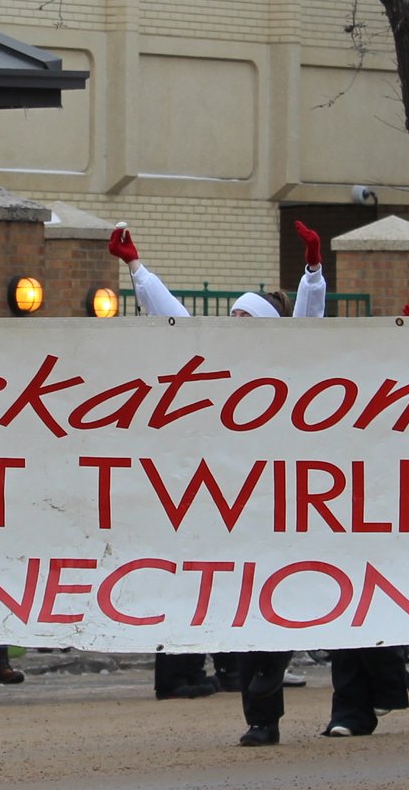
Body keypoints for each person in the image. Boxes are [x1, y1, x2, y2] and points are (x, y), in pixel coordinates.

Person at [110, 219, 329, 726]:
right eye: (231, 315)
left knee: (270, 621)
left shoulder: (286, 366)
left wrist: (313, 271)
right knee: (245, 612)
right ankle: (259, 717)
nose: (233, 322)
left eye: (244, 317)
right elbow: (176, 318)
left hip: (275, 506)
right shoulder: (214, 366)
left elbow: (308, 325)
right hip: (228, 505)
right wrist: (135, 267)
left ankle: (263, 695)